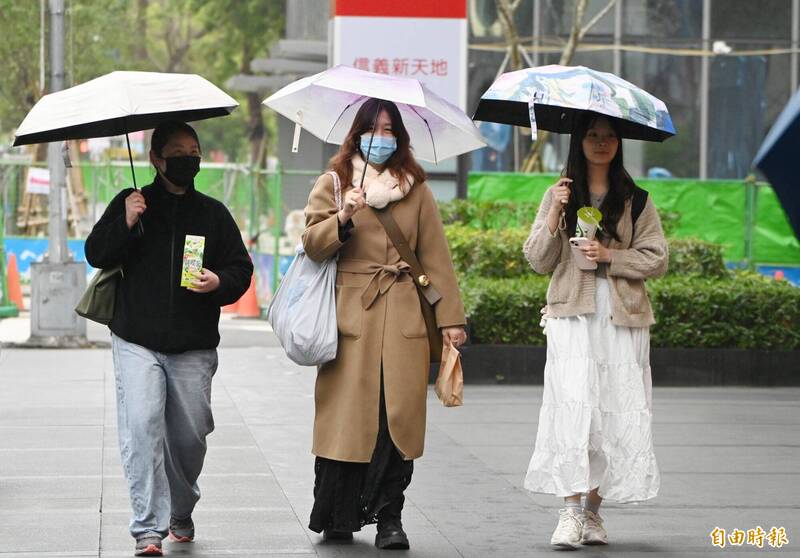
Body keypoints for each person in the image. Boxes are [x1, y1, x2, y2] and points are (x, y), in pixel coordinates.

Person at [302, 98, 467, 550]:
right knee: (345, 422)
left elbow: (437, 258)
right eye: (373, 128)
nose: (382, 137)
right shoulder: (333, 184)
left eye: (390, 129)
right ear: (356, 135)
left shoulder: (417, 190)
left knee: (396, 421)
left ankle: (390, 519)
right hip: (350, 321)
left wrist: (451, 320)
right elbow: (313, 245)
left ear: (401, 138)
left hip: (404, 317)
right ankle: (338, 516)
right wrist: (344, 215)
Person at [84, 121, 253, 557]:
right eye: (177, 151)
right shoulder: (133, 202)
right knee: (141, 425)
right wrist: (125, 220)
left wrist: (218, 281)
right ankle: (147, 529)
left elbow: (240, 269)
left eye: (193, 150)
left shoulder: (213, 213)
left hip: (193, 344)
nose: (187, 158)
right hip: (136, 338)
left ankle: (182, 509)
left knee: (189, 436)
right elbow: (96, 253)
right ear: (156, 159)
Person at [522, 113, 668, 550]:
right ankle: (569, 512)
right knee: (573, 405)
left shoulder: (636, 199)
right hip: (572, 313)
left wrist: (609, 255)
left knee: (614, 407)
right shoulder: (559, 194)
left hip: (621, 317)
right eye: (592, 135)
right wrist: (554, 215)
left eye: (609, 135)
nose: (601, 142)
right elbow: (537, 259)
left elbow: (657, 258)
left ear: (619, 143)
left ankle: (592, 513)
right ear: (578, 141)